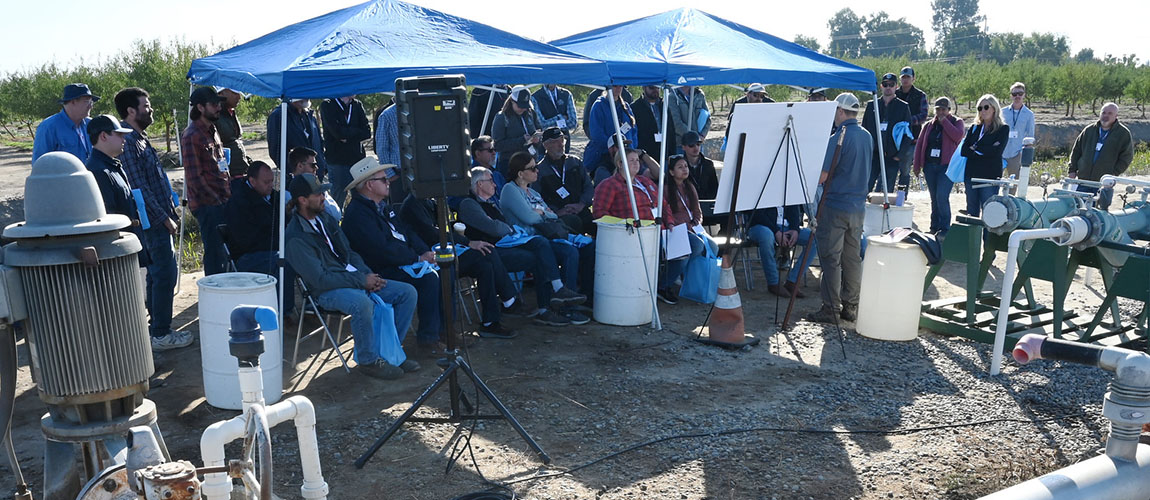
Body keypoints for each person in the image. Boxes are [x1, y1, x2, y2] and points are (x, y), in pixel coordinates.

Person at [285, 173, 420, 380]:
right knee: (361, 303)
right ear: (302, 200)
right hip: (327, 292)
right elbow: (321, 279)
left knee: (406, 292)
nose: (324, 197)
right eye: (318, 193)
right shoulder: (296, 237)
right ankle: (369, 361)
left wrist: (366, 274)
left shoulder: (324, 218)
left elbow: (349, 253)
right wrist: (361, 281)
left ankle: (390, 353)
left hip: (352, 278)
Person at [460, 166, 588, 326]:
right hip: (491, 252)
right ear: (479, 184)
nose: (494, 184)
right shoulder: (469, 204)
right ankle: (552, 297)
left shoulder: (491, 203)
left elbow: (504, 225)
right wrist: (509, 228)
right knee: (540, 251)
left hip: (506, 245)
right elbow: (495, 228)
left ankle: (548, 304)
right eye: (490, 181)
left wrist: (507, 228)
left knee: (541, 250)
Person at [115, 87, 186, 351]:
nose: (151, 109)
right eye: (146, 105)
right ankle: (160, 333)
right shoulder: (129, 142)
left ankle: (157, 328)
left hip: (159, 217)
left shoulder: (140, 139)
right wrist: (163, 218)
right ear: (131, 111)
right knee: (164, 274)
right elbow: (139, 187)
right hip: (152, 223)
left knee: (158, 275)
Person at [399, 191, 523, 341]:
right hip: (429, 257)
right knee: (463, 263)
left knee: (485, 261)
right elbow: (432, 233)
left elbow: (445, 227)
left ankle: (491, 321)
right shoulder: (413, 205)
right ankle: (509, 300)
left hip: (445, 251)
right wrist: (468, 242)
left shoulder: (431, 200)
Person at [808, 93, 873, 324]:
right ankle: (851, 306)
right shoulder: (866, 136)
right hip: (858, 206)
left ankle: (831, 308)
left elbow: (822, 177)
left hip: (836, 205)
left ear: (840, 112)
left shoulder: (838, 137)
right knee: (852, 258)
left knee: (830, 258)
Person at [223, 161, 296, 318]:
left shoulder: (273, 197)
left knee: (306, 253)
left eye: (272, 181)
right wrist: (280, 244)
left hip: (274, 249)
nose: (270, 185)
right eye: (266, 182)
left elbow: (286, 223)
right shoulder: (238, 203)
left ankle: (313, 304)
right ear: (252, 181)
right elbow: (246, 241)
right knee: (284, 261)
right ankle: (283, 313)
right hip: (248, 256)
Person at [181, 86, 231, 276]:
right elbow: (195, 179)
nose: (218, 107)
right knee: (215, 253)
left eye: (219, 103)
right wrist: (217, 201)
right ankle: (214, 291)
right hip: (208, 205)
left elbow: (220, 164)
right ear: (200, 107)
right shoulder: (191, 135)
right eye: (214, 104)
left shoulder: (212, 129)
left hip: (221, 200)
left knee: (224, 251)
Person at [657, 155, 719, 304]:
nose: (685, 169)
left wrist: (696, 222)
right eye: (680, 167)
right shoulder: (666, 189)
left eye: (685, 166)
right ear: (671, 172)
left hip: (693, 227)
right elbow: (667, 213)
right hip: (676, 229)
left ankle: (693, 281)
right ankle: (667, 283)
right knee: (696, 246)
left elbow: (697, 210)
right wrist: (684, 225)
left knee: (713, 247)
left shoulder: (689, 186)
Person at [913, 97, 964, 236]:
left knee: (942, 196)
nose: (940, 112)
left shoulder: (956, 122)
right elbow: (920, 145)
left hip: (947, 167)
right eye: (937, 109)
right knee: (934, 198)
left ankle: (944, 228)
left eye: (943, 109)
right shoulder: (929, 125)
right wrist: (917, 165)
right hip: (930, 166)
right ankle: (934, 226)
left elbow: (958, 136)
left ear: (949, 110)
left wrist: (945, 122)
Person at [1068, 102, 1133, 210]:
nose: (1106, 115)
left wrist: (1113, 173)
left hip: (1102, 183)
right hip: (1083, 180)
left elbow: (1126, 157)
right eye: (1104, 112)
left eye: (1110, 113)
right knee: (1077, 208)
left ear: (1116, 116)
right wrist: (1072, 170)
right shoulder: (1089, 130)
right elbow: (1076, 151)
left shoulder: (1123, 134)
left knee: (1097, 212)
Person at [746, 204, 816, 300]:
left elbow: (794, 208)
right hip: (761, 226)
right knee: (767, 237)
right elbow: (756, 214)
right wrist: (776, 231)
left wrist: (795, 229)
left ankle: (793, 281)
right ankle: (773, 283)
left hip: (786, 226)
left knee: (814, 239)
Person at [534, 127, 594, 234]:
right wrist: (556, 212)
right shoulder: (539, 170)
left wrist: (581, 204)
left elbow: (588, 187)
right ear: (546, 145)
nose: (561, 144)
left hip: (580, 209)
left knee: (598, 225)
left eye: (562, 140)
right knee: (574, 223)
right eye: (555, 142)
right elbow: (536, 198)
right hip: (557, 216)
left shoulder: (575, 162)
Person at [960, 95, 1010, 217]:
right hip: (971, 175)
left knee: (989, 210)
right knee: (972, 210)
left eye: (986, 107)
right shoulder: (974, 128)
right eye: (979, 108)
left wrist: (975, 148)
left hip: (989, 177)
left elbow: (996, 152)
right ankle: (972, 236)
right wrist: (985, 148)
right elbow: (964, 151)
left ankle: (987, 237)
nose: (983, 111)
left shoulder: (1003, 129)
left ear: (994, 108)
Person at [862, 73, 911, 194]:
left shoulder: (903, 107)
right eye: (885, 84)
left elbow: (908, 134)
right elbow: (864, 129)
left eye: (891, 85)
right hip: (874, 155)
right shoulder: (871, 105)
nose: (888, 87)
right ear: (881, 86)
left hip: (891, 156)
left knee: (887, 191)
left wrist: (899, 155)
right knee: (866, 187)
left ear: (896, 86)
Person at [320, 95, 372, 208]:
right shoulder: (328, 105)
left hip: (357, 160)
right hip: (338, 161)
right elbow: (337, 132)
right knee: (337, 199)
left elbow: (367, 132)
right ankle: (336, 223)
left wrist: (346, 135)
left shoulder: (357, 105)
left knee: (362, 197)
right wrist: (354, 133)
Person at [592, 148, 668, 221]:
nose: (636, 163)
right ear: (620, 164)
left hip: (658, 228)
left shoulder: (646, 181)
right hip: (631, 231)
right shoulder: (609, 185)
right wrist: (621, 226)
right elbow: (599, 212)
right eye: (632, 160)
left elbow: (663, 204)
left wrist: (670, 222)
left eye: (637, 160)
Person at [33, 83, 97, 163]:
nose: (91, 106)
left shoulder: (91, 124)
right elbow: (39, 164)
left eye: (91, 102)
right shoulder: (49, 127)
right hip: (63, 176)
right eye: (87, 102)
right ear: (73, 102)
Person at [584, 86, 638, 172]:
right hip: (605, 157)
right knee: (602, 175)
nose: (618, 88)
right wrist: (614, 148)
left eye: (620, 85)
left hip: (626, 156)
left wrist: (631, 148)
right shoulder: (598, 106)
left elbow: (634, 131)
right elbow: (596, 135)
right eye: (615, 86)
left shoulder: (626, 106)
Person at [491, 85, 543, 175]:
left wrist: (536, 140)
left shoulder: (531, 114)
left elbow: (539, 130)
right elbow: (498, 145)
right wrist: (521, 140)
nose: (523, 109)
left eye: (525, 106)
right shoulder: (501, 117)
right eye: (520, 106)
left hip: (531, 160)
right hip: (510, 163)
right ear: (511, 101)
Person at [268, 99, 326, 179]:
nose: (306, 97)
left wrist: (322, 165)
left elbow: (319, 144)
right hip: (297, 180)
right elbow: (275, 151)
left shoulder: (310, 115)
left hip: (316, 176)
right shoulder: (279, 116)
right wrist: (294, 173)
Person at [895, 66, 928, 188]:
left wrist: (907, 121)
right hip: (894, 140)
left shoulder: (920, 95)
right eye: (903, 77)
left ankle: (902, 197)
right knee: (891, 170)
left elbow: (923, 116)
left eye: (908, 77)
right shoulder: (894, 93)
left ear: (913, 78)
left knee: (905, 171)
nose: (905, 80)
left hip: (911, 141)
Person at [287, 147, 341, 221]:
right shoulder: (287, 192)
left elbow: (336, 214)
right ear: (300, 166)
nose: (316, 168)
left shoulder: (317, 184)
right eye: (313, 165)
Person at [373, 99, 409, 204]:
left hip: (421, 172)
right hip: (399, 174)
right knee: (400, 211)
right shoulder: (386, 115)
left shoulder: (420, 109)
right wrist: (390, 175)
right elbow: (381, 148)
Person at [1001, 82, 1035, 190]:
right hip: (1001, 152)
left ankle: (1010, 204)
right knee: (995, 180)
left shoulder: (1029, 114)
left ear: (1024, 95)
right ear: (1011, 95)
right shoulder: (1002, 112)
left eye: (1020, 93)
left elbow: (1030, 136)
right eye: (1014, 94)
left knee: (1014, 184)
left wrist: (1023, 154)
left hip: (1016, 154)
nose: (1017, 96)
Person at [632, 85, 676, 163]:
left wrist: (672, 155)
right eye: (652, 88)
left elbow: (671, 131)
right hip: (646, 158)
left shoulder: (664, 105)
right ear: (644, 87)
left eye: (658, 87)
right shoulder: (635, 107)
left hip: (665, 154)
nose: (655, 90)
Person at [215, 88, 251, 177]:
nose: (239, 97)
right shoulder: (215, 116)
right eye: (234, 93)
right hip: (228, 175)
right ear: (221, 93)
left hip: (240, 171)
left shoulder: (231, 112)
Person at [531, 84, 578, 153]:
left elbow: (573, 123)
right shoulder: (535, 97)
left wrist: (550, 122)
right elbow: (541, 124)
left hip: (563, 144)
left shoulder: (566, 94)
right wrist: (560, 118)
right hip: (546, 144)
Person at [680, 131, 719, 200]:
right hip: (687, 204)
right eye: (691, 145)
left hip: (706, 203)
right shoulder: (679, 165)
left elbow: (714, 187)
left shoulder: (708, 164)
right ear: (683, 147)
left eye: (698, 144)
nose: (696, 148)